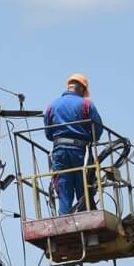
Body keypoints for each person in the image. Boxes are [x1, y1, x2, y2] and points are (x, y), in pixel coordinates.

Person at [42, 73, 104, 215]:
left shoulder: (52, 105)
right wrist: (90, 137)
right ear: (82, 89)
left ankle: (64, 218)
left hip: (59, 152)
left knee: (64, 188)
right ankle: (87, 215)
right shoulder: (86, 104)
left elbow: (48, 134)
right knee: (84, 186)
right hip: (80, 151)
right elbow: (97, 130)